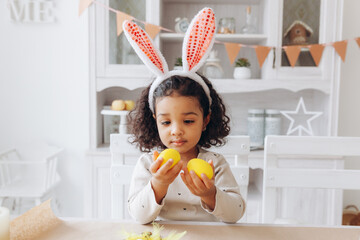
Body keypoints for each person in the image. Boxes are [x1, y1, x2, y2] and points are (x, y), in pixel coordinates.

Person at [122, 8, 246, 224]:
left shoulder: (214, 163)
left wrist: (209, 194)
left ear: (205, 120)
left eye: (188, 121)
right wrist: (158, 184)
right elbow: (138, 217)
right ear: (155, 121)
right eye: (166, 122)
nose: (176, 130)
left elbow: (235, 214)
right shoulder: (149, 164)